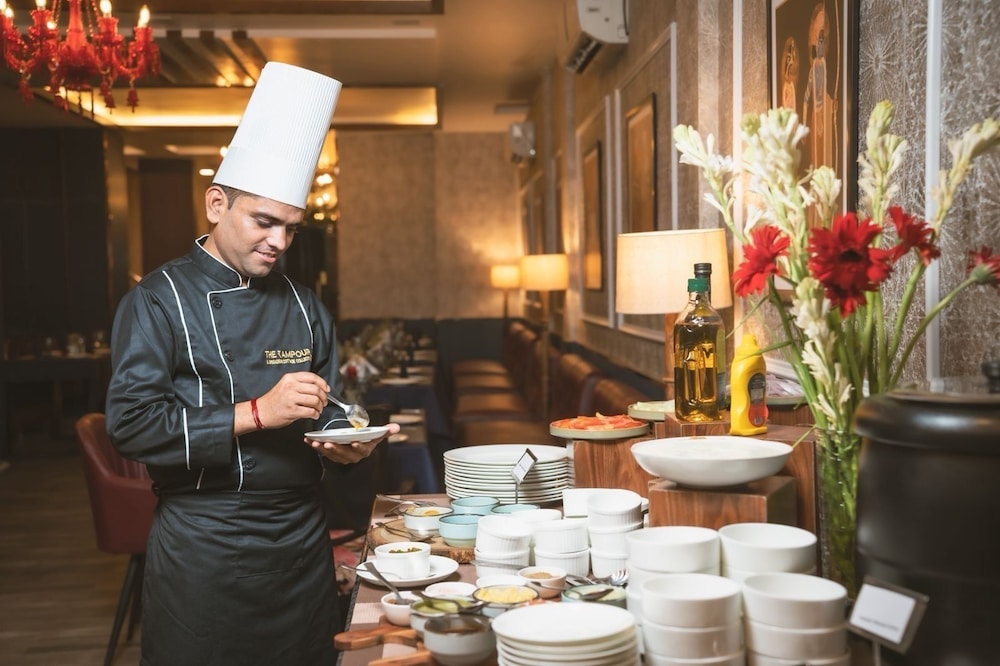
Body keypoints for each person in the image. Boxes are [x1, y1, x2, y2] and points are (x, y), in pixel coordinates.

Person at [104, 61, 398, 666]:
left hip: (300, 539)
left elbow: (328, 408)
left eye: (291, 228)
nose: (279, 243)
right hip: (204, 543)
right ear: (217, 204)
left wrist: (348, 442)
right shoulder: (158, 299)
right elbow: (131, 426)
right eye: (264, 222)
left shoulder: (305, 304)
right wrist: (257, 412)